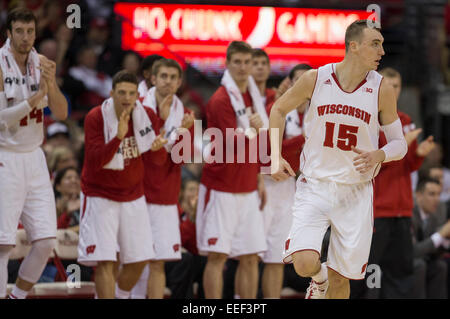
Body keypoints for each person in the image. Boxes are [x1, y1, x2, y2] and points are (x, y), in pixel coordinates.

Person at [269, 19, 408, 299]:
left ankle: (327, 282)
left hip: (355, 192)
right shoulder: (315, 78)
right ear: (353, 46)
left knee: (342, 278)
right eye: (375, 44)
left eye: (381, 44)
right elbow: (278, 110)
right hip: (315, 184)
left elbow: (399, 143)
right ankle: (317, 282)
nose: (382, 51)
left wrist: (379, 154)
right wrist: (274, 156)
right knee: (304, 262)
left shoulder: (382, 88)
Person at [77, 70, 168, 299]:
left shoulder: (146, 115)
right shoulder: (96, 117)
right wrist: (117, 136)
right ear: (111, 93)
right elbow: (96, 161)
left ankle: (118, 295)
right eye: (121, 93)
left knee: (140, 259)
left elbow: (156, 161)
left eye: (131, 93)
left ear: (138, 95)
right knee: (106, 261)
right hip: (100, 195)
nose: (126, 98)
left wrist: (158, 149)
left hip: (133, 195)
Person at [350, 67, 435, 299]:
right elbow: (365, 166)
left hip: (403, 210)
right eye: (389, 85)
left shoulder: (405, 120)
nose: (392, 90)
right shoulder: (365, 120)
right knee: (366, 274)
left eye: (396, 86)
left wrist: (418, 155)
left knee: (400, 274)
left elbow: (407, 167)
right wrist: (394, 148)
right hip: (377, 211)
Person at [0, 8, 68, 299]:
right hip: (5, 155)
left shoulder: (42, 64)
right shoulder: (0, 66)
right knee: (3, 244)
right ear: (9, 33)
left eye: (30, 32)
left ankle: (17, 297)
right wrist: (33, 101)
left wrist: (50, 85)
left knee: (45, 240)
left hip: (35, 156)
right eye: (19, 31)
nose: (25, 37)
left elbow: (62, 113)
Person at [196, 41, 268, 299]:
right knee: (217, 256)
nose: (242, 67)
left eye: (246, 62)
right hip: (221, 188)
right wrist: (252, 129)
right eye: (236, 61)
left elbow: (258, 142)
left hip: (248, 187)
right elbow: (228, 142)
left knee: (250, 257)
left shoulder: (252, 96)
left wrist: (259, 177)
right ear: (227, 64)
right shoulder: (220, 99)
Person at [130, 58, 195, 299]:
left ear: (179, 82)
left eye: (173, 77)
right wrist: (167, 123)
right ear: (153, 78)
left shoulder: (186, 114)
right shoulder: (137, 107)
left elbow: (182, 158)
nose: (168, 81)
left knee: (158, 263)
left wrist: (181, 131)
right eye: (163, 76)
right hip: (136, 195)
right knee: (135, 259)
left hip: (166, 198)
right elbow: (147, 152)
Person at [251, 51, 307, 298]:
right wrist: (303, 141)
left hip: (289, 186)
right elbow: (272, 151)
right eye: (300, 79)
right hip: (261, 181)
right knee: (251, 253)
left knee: (277, 256)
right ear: (291, 82)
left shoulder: (322, 112)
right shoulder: (277, 105)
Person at [411, 177, 450, 298]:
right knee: (420, 265)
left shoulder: (434, 217)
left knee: (439, 266)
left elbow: (435, 252)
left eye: (439, 194)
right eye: (432, 194)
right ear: (418, 195)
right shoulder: (409, 215)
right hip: (400, 263)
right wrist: (441, 234)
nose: (437, 199)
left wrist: (446, 240)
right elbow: (414, 252)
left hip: (422, 261)